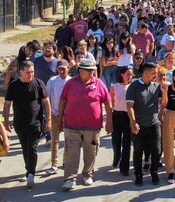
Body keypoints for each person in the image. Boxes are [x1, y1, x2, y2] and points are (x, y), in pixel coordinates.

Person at [59, 59, 112, 190]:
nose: (92, 72)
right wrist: (59, 118)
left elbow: (108, 103)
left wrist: (110, 121)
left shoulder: (99, 83)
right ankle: (70, 178)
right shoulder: (70, 83)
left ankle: (88, 174)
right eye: (89, 70)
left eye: (93, 70)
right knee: (72, 152)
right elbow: (63, 100)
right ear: (80, 71)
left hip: (93, 126)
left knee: (91, 151)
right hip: (72, 125)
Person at [4, 61, 51, 187]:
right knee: (25, 148)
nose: (30, 74)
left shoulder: (39, 84)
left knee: (32, 148)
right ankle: (28, 168)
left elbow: (46, 102)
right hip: (19, 124)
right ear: (21, 72)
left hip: (35, 123)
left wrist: (49, 120)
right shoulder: (14, 85)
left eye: (32, 72)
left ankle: (31, 173)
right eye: (27, 72)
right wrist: (6, 120)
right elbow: (7, 103)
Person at [126, 62, 167, 186]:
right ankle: (138, 175)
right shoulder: (133, 86)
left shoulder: (156, 86)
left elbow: (163, 104)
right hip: (138, 125)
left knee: (157, 149)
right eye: (154, 73)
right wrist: (133, 123)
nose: (156, 75)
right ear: (145, 73)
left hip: (154, 123)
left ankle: (154, 172)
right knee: (138, 151)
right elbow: (129, 106)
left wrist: (164, 92)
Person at [44, 60, 72, 175]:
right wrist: (49, 115)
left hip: (68, 115)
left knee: (68, 139)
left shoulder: (71, 81)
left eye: (63, 69)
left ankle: (66, 160)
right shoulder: (52, 81)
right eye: (59, 69)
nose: (61, 71)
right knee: (54, 140)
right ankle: (54, 164)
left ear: (68, 68)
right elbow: (48, 98)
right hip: (55, 114)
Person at [110, 66, 134, 176]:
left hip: (128, 115)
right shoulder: (115, 87)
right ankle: (116, 156)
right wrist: (109, 118)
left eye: (131, 74)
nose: (130, 76)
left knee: (127, 142)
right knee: (116, 140)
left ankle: (124, 167)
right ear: (122, 74)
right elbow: (110, 103)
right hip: (117, 114)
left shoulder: (133, 86)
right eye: (128, 74)